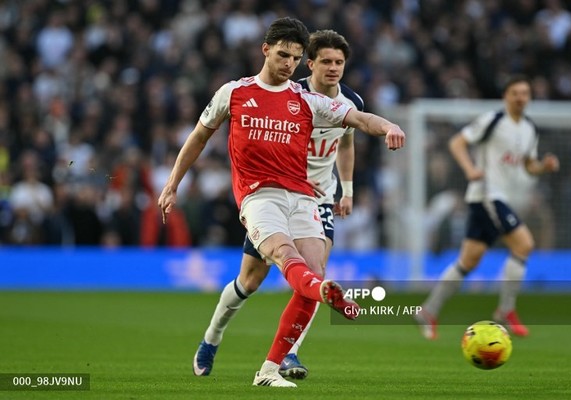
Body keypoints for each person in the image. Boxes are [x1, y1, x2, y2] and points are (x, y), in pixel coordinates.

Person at [157, 18, 406, 387]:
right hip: (259, 196)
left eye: (295, 57)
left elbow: (358, 120)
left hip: (305, 196)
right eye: (283, 55)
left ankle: (270, 369)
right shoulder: (234, 92)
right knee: (257, 276)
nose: (289, 63)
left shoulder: (307, 100)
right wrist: (172, 184)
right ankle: (212, 337)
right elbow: (198, 137)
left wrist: (389, 127)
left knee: (312, 271)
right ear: (266, 50)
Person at [192, 29, 365, 381]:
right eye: (326, 62)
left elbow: (346, 144)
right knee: (250, 280)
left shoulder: (352, 103)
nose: (333, 68)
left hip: (318, 198)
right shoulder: (291, 93)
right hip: (274, 193)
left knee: (314, 272)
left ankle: (288, 353)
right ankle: (212, 337)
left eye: (339, 62)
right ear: (310, 64)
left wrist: (346, 189)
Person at [414, 75, 559, 340]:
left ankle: (428, 310)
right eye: (515, 93)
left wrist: (543, 167)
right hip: (488, 195)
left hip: (499, 199)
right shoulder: (493, 120)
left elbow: (528, 165)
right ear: (505, 96)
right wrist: (470, 170)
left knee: (468, 260)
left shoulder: (529, 129)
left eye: (525, 93)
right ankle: (505, 310)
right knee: (524, 244)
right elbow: (457, 142)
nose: (520, 98)